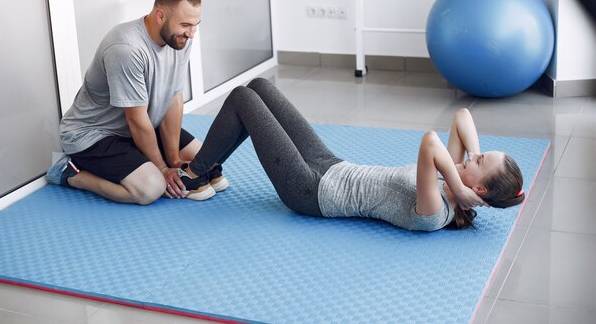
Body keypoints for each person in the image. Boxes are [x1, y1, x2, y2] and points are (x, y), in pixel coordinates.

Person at [172, 77, 524, 231]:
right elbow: (462, 116)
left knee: (241, 98)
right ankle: (209, 171)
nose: (471, 157)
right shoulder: (453, 179)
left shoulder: (436, 213)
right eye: (477, 155)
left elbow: (430, 141)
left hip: (312, 192)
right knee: (260, 88)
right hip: (332, 164)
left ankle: (197, 174)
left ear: (478, 190)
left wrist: (459, 189)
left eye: (477, 162)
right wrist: (472, 164)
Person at [47, 0, 228, 204]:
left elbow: (173, 98)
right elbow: (135, 118)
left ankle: (145, 160)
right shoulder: (126, 47)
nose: (191, 33)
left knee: (205, 158)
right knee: (151, 189)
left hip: (138, 127)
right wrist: (162, 169)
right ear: (160, 15)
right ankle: (70, 173)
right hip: (94, 135)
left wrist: (173, 160)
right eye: (185, 25)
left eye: (195, 25)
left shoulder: (179, 39)